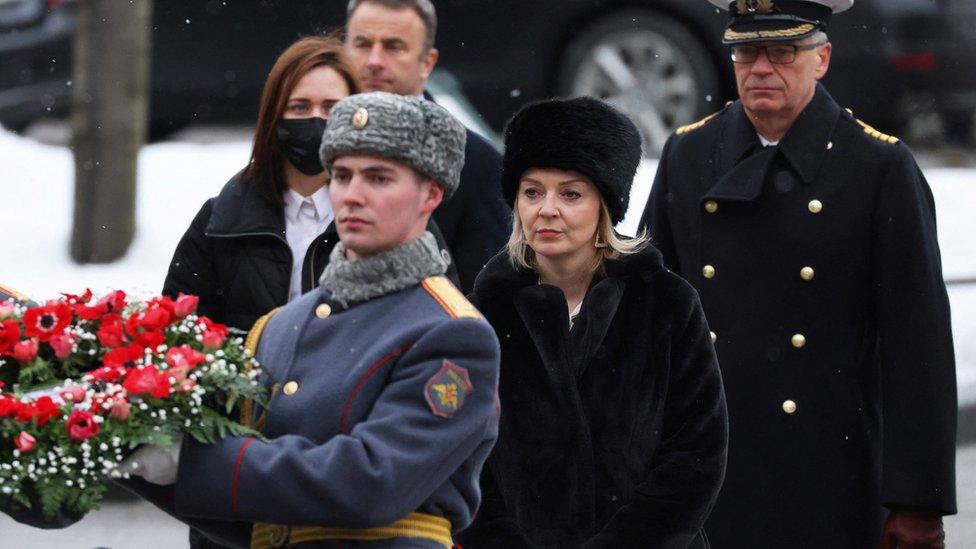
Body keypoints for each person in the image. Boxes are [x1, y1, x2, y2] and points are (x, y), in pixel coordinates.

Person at [639, 1, 957, 547]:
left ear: (823, 58)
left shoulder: (878, 167)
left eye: (782, 52)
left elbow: (917, 343)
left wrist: (918, 500)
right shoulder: (689, 154)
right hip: (710, 466)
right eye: (746, 52)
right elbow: (648, 317)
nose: (761, 68)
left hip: (831, 466)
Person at [122, 92, 501, 549]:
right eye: (342, 175)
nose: (353, 195)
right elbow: (255, 517)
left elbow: (370, 483)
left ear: (431, 195)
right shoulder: (278, 327)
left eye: (379, 178)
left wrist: (193, 463)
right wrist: (129, 448)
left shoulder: (453, 333)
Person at [458, 97, 728, 548]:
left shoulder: (666, 305)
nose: (546, 209)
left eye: (571, 193)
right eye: (532, 191)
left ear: (605, 204)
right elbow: (464, 460)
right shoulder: (482, 315)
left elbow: (696, 455)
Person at [162, 34, 457, 333]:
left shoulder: (396, 218)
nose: (316, 120)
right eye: (300, 107)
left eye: (331, 108)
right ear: (274, 118)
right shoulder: (222, 219)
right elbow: (182, 333)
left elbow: (439, 321)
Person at [344, 0, 510, 292]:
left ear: (427, 63)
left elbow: (487, 299)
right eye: (362, 44)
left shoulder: (474, 163)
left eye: (393, 47)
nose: (374, 61)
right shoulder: (307, 145)